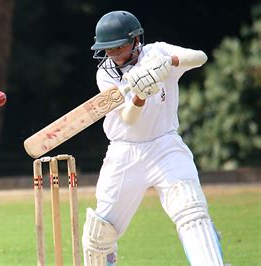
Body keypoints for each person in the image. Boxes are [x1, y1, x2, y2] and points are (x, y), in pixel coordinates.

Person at [81, 11, 224, 266]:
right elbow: (129, 118)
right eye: (108, 49)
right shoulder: (105, 74)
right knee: (99, 233)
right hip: (124, 153)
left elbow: (200, 58)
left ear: (136, 41)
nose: (113, 54)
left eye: (119, 47)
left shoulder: (158, 51)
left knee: (192, 211)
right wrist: (140, 94)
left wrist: (168, 62)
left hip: (165, 146)